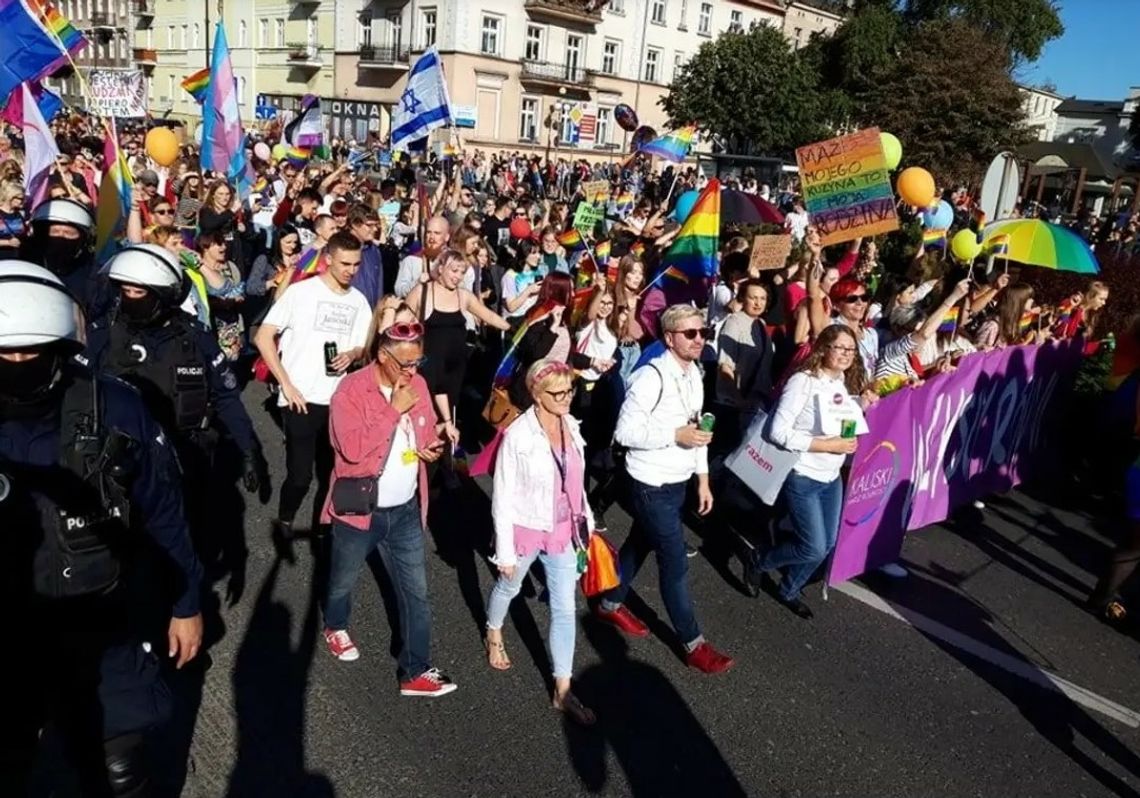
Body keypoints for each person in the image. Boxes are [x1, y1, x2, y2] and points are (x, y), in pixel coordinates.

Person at [0, 260, 204, 795]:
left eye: (31, 349)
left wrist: (186, 604)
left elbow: (164, 510)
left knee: (118, 770)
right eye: (5, 352)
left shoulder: (114, 405)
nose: (17, 363)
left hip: (104, 617)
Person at [320, 321, 458, 697]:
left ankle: (414, 670)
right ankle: (335, 624)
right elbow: (350, 450)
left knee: (417, 592)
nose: (413, 371)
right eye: (406, 363)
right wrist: (392, 410)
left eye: (418, 361)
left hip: (406, 510)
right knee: (343, 580)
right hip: (361, 510)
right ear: (383, 356)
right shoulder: (350, 391)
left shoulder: (419, 385)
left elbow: (425, 434)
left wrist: (432, 445)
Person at [595, 305, 735, 674]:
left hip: (677, 482)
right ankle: (694, 644)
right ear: (669, 338)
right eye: (690, 334)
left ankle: (609, 604)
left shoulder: (694, 374)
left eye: (701, 332)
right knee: (673, 563)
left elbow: (699, 431)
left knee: (638, 544)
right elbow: (623, 433)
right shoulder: (650, 376)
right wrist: (674, 435)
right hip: (649, 483)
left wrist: (702, 480)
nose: (698, 339)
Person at [86, 243, 266, 516]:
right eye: (126, 290)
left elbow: (226, 396)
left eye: (140, 292)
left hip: (186, 454)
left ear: (164, 294)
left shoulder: (195, 337)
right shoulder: (103, 335)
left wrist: (248, 448)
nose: (131, 297)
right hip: (122, 459)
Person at [485, 359, 597, 725]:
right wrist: (504, 551)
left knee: (565, 608)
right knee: (509, 585)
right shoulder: (518, 436)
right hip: (527, 528)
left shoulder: (572, 426)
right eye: (558, 393)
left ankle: (562, 689)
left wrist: (587, 523)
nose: (566, 398)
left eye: (570, 390)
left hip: (564, 530)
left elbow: (577, 482)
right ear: (536, 394)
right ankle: (494, 629)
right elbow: (502, 496)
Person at [745, 326, 872, 618]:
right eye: (839, 347)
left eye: (850, 350)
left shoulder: (842, 382)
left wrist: (863, 406)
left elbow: (840, 416)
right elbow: (778, 432)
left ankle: (789, 588)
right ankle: (760, 560)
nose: (845, 354)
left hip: (831, 477)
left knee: (826, 544)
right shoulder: (802, 382)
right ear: (823, 348)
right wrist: (826, 445)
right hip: (803, 474)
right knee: (813, 547)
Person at [254, 232, 373, 538]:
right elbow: (263, 337)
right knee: (300, 475)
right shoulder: (301, 292)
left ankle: (325, 525)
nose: (351, 270)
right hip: (301, 397)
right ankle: (285, 517)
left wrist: (352, 354)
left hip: (339, 400)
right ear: (328, 259)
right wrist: (286, 384)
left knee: (332, 471)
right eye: (345, 263)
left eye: (356, 264)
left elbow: (363, 347)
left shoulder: (359, 301)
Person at [405, 248, 510, 444]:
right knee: (427, 414)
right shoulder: (423, 292)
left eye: (462, 273)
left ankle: (447, 460)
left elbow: (488, 316)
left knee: (449, 415)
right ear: (441, 267)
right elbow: (402, 322)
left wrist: (515, 328)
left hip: (454, 369)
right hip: (427, 368)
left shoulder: (464, 296)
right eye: (454, 271)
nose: (458, 277)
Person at [715, 279, 776, 446]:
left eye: (762, 298)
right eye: (753, 297)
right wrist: (738, 400)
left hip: (757, 403)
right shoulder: (734, 321)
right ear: (743, 298)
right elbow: (725, 365)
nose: (758, 303)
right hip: (736, 405)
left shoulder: (761, 324)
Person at [22, 197, 99, 309]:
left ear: (83, 239)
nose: (61, 238)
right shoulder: (25, 264)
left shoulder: (92, 273)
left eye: (69, 233)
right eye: (55, 231)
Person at [395, 215, 451, 297]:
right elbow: (399, 291)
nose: (431, 237)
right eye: (429, 232)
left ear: (447, 237)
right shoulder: (411, 260)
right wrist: (417, 283)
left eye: (437, 233)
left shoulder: (456, 261)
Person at [0, 179, 27, 259]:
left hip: (18, 257)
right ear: (10, 197)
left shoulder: (19, 214)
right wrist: (7, 243)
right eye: (20, 199)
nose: (23, 201)